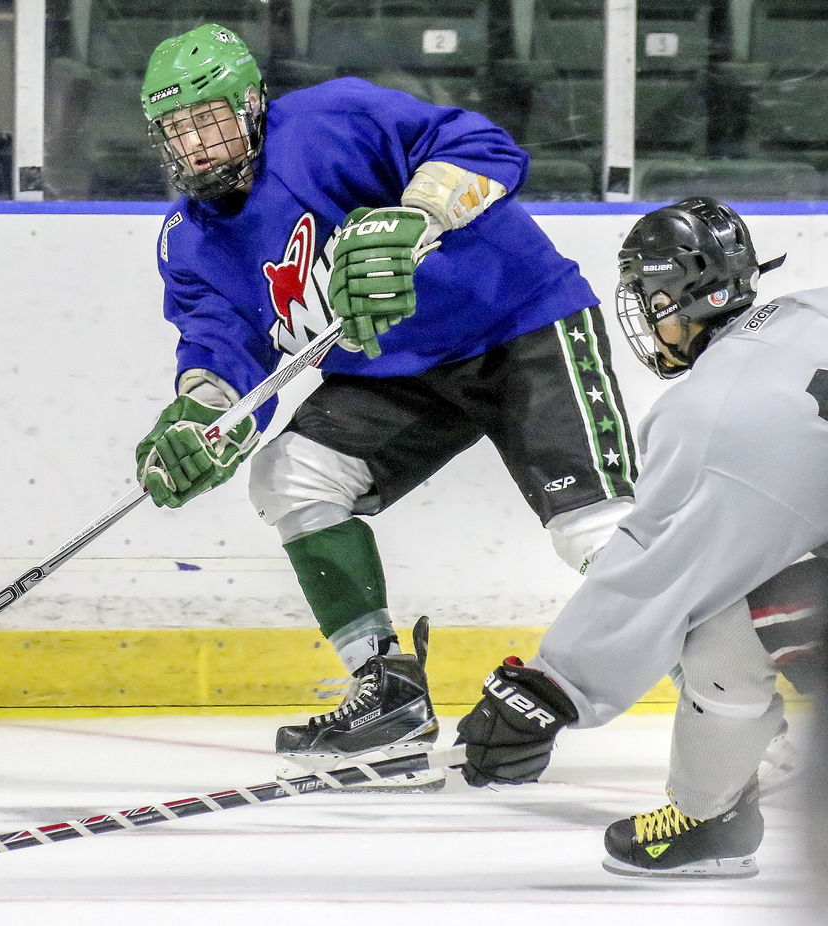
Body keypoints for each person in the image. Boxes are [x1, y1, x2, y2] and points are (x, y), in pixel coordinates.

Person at [131, 23, 637, 782]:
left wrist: (417, 216)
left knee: (596, 533)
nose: (197, 146)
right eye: (179, 131)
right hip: (396, 371)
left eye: (210, 121)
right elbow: (220, 350)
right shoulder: (190, 242)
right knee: (289, 476)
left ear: (252, 104)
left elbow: (488, 149)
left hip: (516, 322)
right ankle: (385, 692)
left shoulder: (328, 121)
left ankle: (736, 690)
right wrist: (204, 418)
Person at [454, 196, 828, 877]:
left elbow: (660, 570)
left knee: (727, 627)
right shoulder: (814, 309)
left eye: (647, 299)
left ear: (669, 301)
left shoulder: (707, 414)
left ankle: (708, 819)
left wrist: (550, 689)